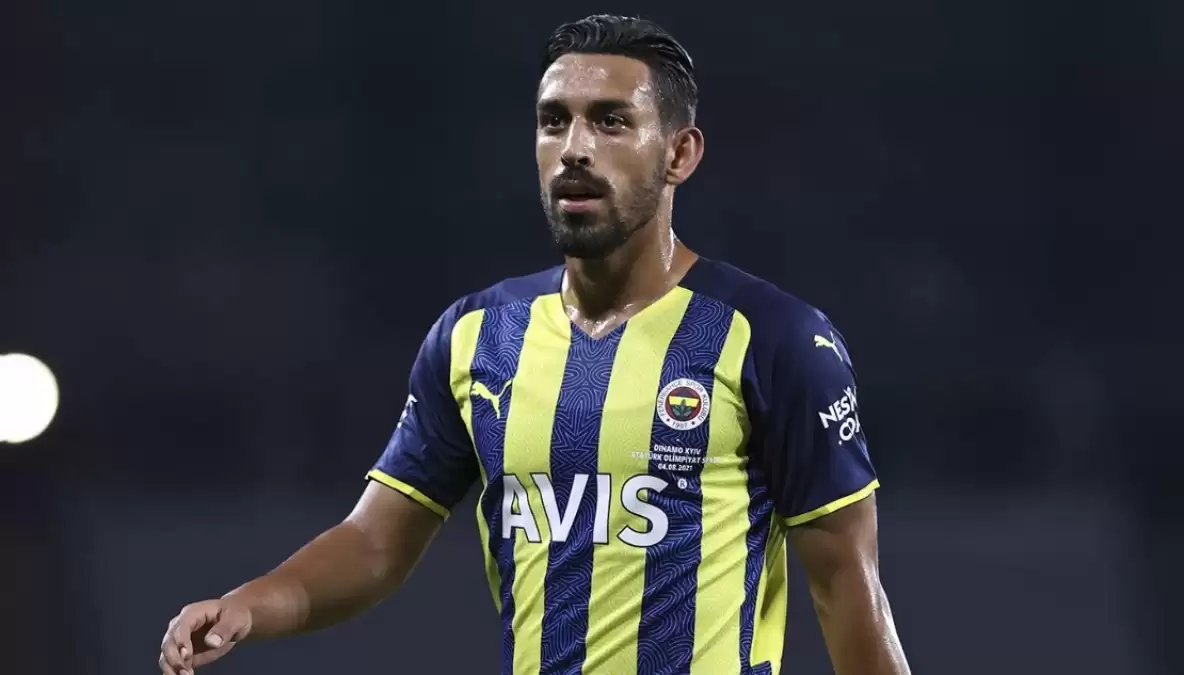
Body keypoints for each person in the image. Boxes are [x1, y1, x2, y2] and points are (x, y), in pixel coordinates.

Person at [159, 14, 910, 675]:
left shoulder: (772, 339)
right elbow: (376, 542)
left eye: (611, 121)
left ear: (679, 154)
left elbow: (847, 584)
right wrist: (250, 603)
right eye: (554, 121)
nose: (574, 148)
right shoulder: (476, 338)